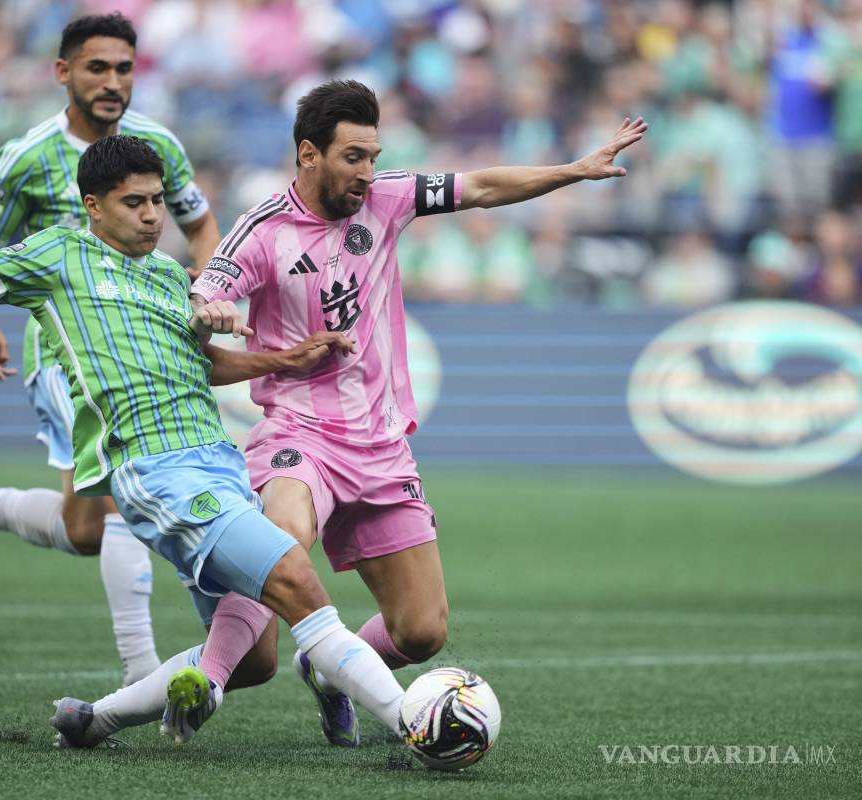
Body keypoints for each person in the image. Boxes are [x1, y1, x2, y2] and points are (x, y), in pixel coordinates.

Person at [0, 133, 401, 750]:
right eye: (135, 203)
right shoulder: (55, 258)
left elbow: (202, 368)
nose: (153, 217)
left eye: (158, 203)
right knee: (297, 578)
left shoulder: (172, 280)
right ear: (94, 205)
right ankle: (415, 721)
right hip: (157, 471)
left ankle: (92, 721)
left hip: (218, 464)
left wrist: (283, 359)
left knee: (251, 659)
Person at [72, 80, 647, 749]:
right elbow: (203, 305)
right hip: (297, 436)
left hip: (380, 448)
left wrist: (574, 170)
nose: (367, 172)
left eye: (374, 155)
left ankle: (323, 666)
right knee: (283, 539)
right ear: (309, 154)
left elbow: (482, 186)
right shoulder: (261, 232)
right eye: (353, 157)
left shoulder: (389, 198)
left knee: (422, 630)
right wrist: (211, 317)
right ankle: (211, 681)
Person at [0, 13, 223, 688]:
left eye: (125, 69)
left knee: (84, 529)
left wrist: (209, 290)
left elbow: (200, 225)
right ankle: (144, 677)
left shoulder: (159, 143)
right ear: (63, 72)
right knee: (119, 505)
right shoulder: (27, 157)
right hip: (66, 356)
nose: (112, 82)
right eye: (97, 68)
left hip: (143, 344)